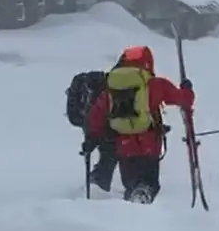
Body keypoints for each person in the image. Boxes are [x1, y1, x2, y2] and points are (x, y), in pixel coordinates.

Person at [83, 45, 195, 204]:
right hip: (149, 145)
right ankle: (143, 205)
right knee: (149, 183)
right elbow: (184, 99)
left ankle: (130, 213)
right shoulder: (155, 84)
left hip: (124, 146)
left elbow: (97, 114)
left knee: (131, 183)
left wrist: (91, 137)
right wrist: (187, 89)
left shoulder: (112, 88)